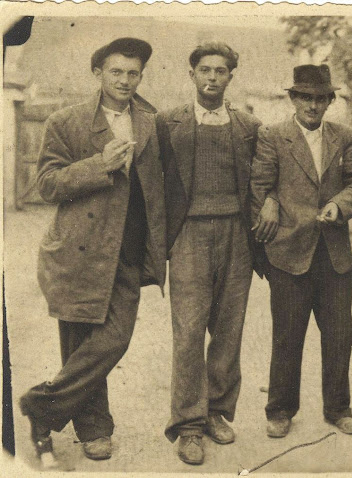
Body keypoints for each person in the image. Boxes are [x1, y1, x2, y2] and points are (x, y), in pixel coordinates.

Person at [19, 38, 167, 464]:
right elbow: (47, 185)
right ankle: (95, 429)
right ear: (98, 73)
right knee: (80, 341)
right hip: (79, 250)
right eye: (116, 71)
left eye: (133, 73)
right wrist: (99, 164)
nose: (124, 80)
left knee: (114, 338)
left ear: (141, 76)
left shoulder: (151, 122)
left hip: (128, 249)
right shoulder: (66, 121)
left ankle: (40, 405)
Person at [159, 42, 262, 465]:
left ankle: (217, 411)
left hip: (237, 234)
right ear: (192, 74)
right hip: (188, 235)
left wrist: (270, 205)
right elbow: (154, 184)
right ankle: (188, 426)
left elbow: (263, 179)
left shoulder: (248, 125)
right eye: (205, 70)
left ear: (230, 77)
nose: (212, 78)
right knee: (188, 333)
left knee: (228, 329)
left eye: (221, 71)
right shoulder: (168, 123)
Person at [251, 64, 352, 438]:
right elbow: (260, 184)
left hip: (333, 253)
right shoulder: (272, 136)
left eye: (320, 99)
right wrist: (269, 201)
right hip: (288, 251)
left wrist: (339, 205)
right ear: (293, 99)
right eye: (305, 98)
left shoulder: (344, 137)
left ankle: (338, 409)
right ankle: (280, 410)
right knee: (288, 335)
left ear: (330, 101)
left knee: (339, 335)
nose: (312, 106)